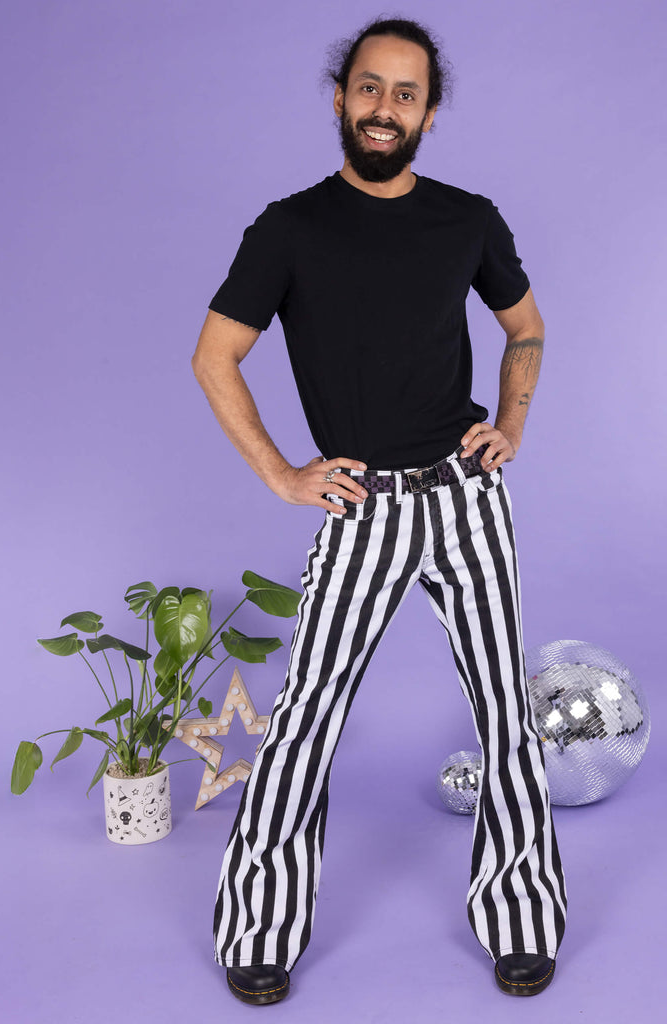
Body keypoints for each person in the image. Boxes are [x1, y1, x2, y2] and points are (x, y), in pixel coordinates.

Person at [192, 17, 567, 1006]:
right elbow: (214, 354)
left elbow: (524, 327)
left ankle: (522, 923)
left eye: (405, 94)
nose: (385, 108)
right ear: (340, 99)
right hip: (362, 506)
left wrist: (512, 422)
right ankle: (259, 930)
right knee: (306, 717)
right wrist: (281, 474)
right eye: (369, 88)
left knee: (505, 715)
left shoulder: (469, 219)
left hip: (465, 499)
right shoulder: (290, 227)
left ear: (428, 114)